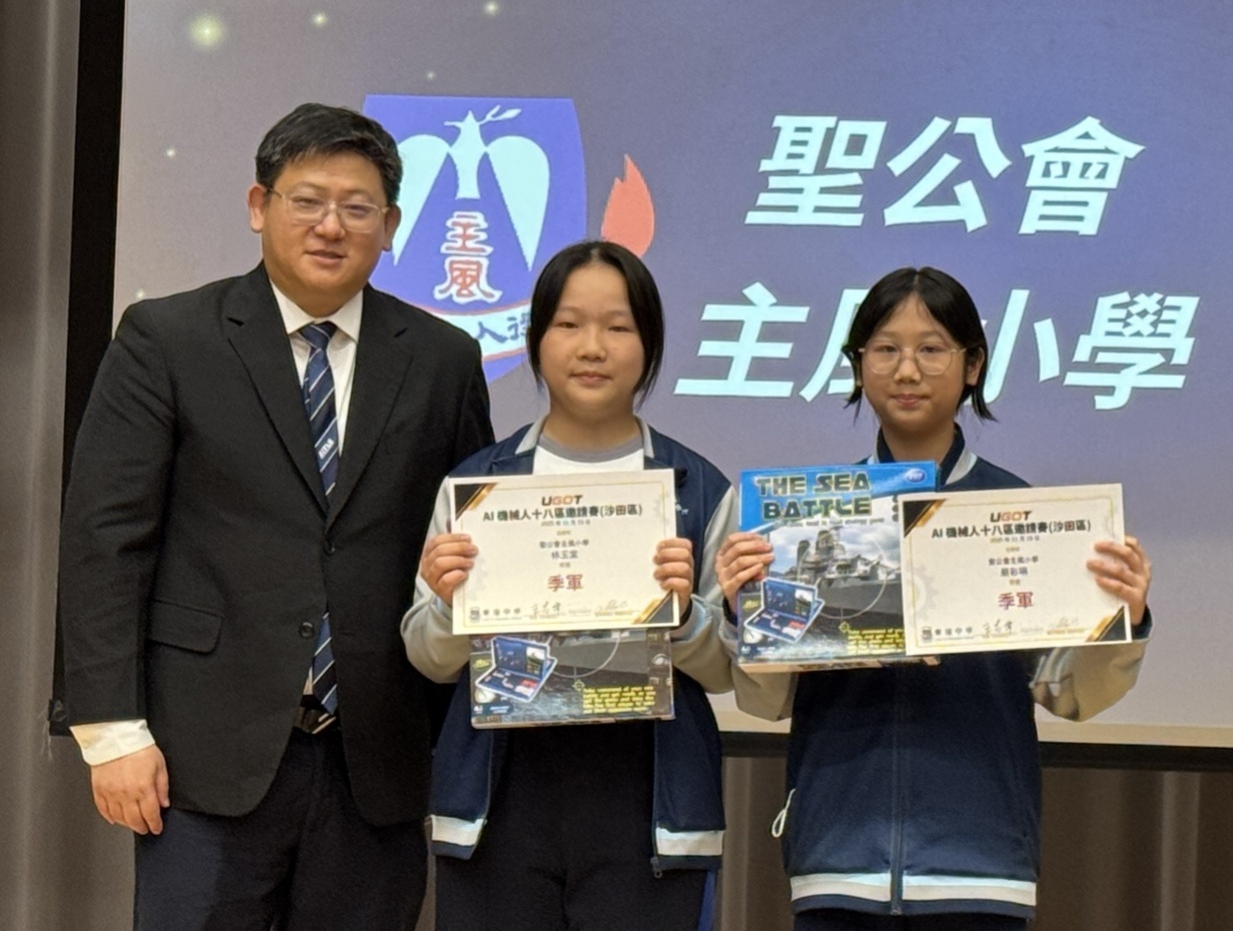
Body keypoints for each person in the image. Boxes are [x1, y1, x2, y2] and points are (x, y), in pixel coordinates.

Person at [54, 103, 494, 931]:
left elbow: (470, 539)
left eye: (357, 207)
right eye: (308, 200)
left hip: (378, 762)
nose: (331, 226)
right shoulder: (168, 339)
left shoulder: (443, 359)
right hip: (200, 756)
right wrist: (112, 731)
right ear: (260, 206)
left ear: (390, 226)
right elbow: (105, 541)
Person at [718, 266, 1154, 931]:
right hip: (838, 861)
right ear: (858, 365)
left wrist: (1123, 619)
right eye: (885, 349)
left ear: (972, 365)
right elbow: (766, 699)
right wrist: (746, 612)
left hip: (980, 863)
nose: (907, 370)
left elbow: (1070, 692)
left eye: (932, 349)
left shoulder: (1018, 513)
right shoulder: (806, 520)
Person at [402, 240, 732, 931]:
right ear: (536, 339)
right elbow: (429, 659)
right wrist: (450, 605)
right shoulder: (479, 486)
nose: (592, 348)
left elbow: (730, 670)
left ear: (649, 343)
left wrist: (682, 618)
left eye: (618, 327)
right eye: (569, 324)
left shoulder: (697, 488)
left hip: (647, 804)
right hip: (501, 800)